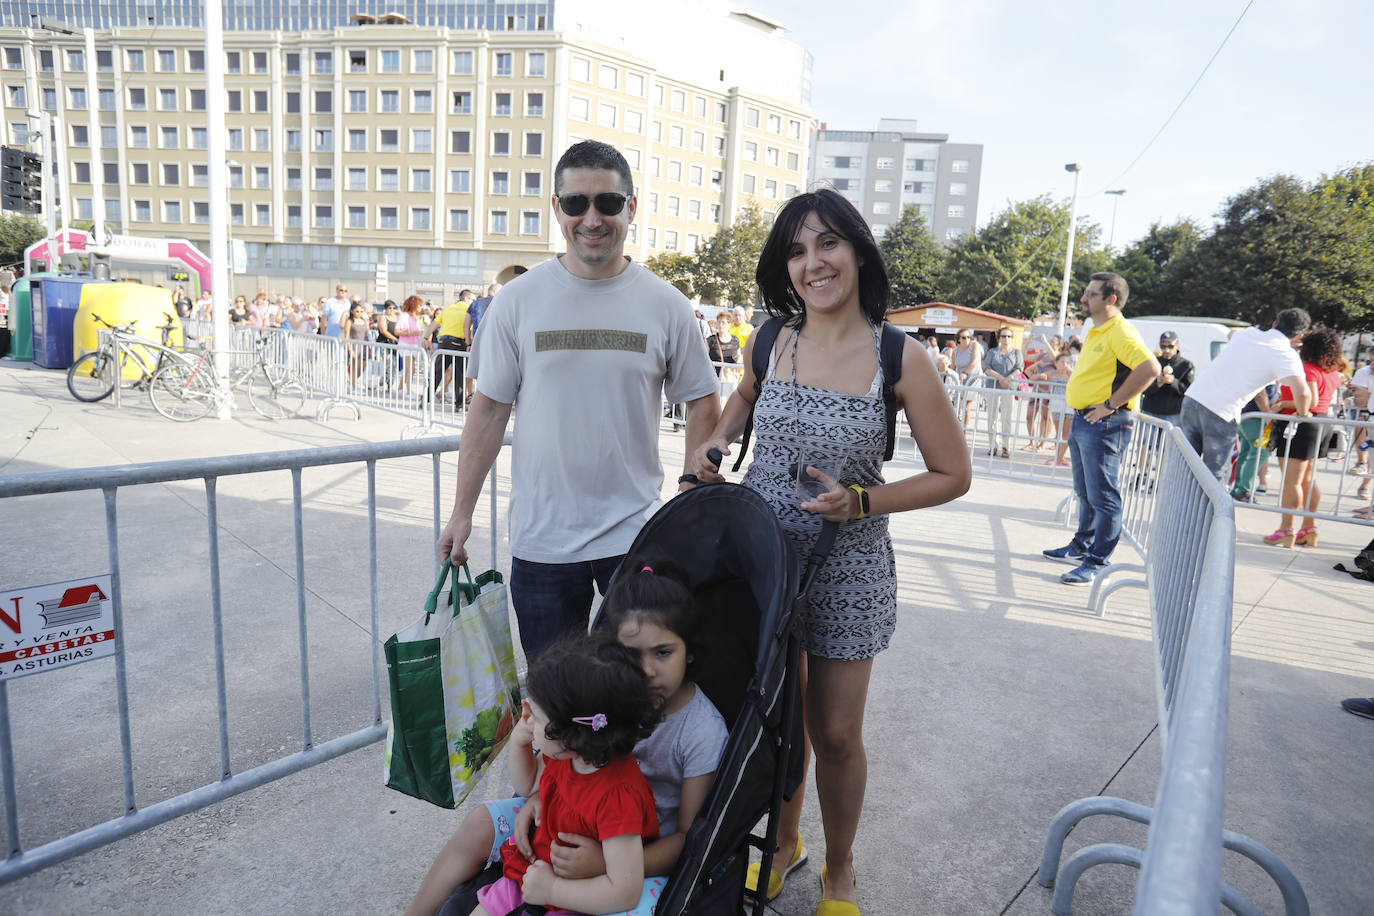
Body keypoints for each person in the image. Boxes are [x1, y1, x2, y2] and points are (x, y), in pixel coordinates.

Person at [693, 188, 970, 913]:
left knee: (837, 733)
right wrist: (718, 442)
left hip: (848, 569)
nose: (812, 263)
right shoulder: (769, 338)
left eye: (827, 244)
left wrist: (863, 502)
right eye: (796, 250)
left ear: (856, 251)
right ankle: (784, 846)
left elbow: (953, 474)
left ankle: (840, 870)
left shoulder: (898, 356)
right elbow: (742, 399)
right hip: (761, 562)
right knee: (777, 722)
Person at [437, 140, 721, 662]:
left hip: (635, 541)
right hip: (542, 542)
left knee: (639, 698)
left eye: (608, 203)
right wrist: (460, 513)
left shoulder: (666, 304)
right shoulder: (518, 302)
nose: (592, 218)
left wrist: (687, 493)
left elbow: (703, 399)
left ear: (631, 208)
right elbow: (489, 411)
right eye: (576, 203)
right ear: (557, 208)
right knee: (556, 708)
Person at [407, 559, 728, 916]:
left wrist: (603, 863)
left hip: (640, 852)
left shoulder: (701, 730)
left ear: (691, 650)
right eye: (631, 654)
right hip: (571, 816)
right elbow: (555, 763)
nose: (648, 669)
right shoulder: (600, 693)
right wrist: (535, 800)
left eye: (664, 652)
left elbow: (688, 839)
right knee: (480, 823)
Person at [438, 634, 662, 916]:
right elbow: (527, 784)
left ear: (574, 736)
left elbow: (624, 891)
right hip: (528, 875)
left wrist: (553, 890)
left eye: (537, 717)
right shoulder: (564, 755)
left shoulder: (618, 795)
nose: (527, 716)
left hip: (576, 896)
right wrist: (520, 744)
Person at [1043, 272, 1160, 586]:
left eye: (1091, 294)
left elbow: (1150, 368)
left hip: (1105, 424)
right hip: (1086, 421)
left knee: (1103, 496)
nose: (1084, 299)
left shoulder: (1120, 331)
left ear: (1111, 299)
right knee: (1085, 492)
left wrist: (1110, 404)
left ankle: (1096, 561)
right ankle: (1082, 544)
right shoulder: (1098, 330)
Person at [1176, 309, 1312, 484]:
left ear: (1275, 323)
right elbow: (1302, 392)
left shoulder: (1248, 334)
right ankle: (1204, 512)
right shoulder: (1285, 354)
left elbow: (1232, 333)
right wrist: (1303, 414)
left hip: (1193, 398)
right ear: (1299, 336)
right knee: (1213, 475)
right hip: (1221, 410)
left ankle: (1183, 509)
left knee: (1186, 466)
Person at [1265, 328, 1343, 548]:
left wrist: (1282, 404)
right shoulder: (1332, 372)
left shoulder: (1308, 370)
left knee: (1293, 482)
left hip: (1302, 425)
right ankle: (1308, 528)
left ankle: (1286, 529)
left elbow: (1309, 401)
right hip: (1320, 425)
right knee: (1308, 481)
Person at [1230, 384, 1277, 503]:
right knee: (1260, 454)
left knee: (1245, 455)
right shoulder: (1267, 371)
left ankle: (1239, 489)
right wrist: (1268, 416)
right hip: (1257, 419)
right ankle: (1244, 490)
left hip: (1248, 417)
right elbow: (1260, 394)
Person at [981, 327, 1023, 457]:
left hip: (1008, 388)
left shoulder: (1016, 352)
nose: (1006, 339)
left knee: (1006, 418)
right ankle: (993, 445)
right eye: (1004, 336)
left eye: (1009, 336)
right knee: (992, 417)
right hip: (993, 387)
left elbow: (1020, 368)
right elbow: (986, 368)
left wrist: (1008, 379)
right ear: (999, 338)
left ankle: (1006, 446)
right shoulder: (992, 352)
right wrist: (1001, 378)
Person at [1139, 330, 1194, 424]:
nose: (1166, 350)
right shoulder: (1153, 362)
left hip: (1173, 415)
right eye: (1163, 346)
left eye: (1170, 346)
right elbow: (1142, 388)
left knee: (1169, 439)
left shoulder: (1186, 365)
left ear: (1177, 346)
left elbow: (1188, 391)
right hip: (1150, 413)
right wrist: (1158, 384)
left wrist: (1173, 382)